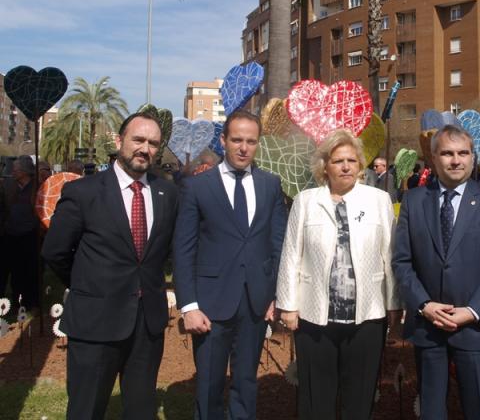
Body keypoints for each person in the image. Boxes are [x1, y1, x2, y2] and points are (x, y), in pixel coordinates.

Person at [41, 112, 179, 420]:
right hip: (95, 323)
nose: (145, 148)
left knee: (141, 410)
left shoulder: (167, 193)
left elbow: (166, 252)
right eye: (138, 140)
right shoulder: (83, 192)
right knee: (86, 410)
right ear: (119, 141)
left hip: (147, 326)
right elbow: (55, 251)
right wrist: (90, 285)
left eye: (154, 143)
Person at [392, 124, 480, 420]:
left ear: (473, 158)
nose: (456, 160)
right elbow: (402, 262)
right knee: (431, 411)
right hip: (429, 326)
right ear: (434, 158)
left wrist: (472, 310)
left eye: (463, 153)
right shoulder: (413, 201)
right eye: (447, 153)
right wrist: (424, 305)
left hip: (475, 326)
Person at [276, 129, 400, 420]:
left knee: (360, 395)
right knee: (316, 396)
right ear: (324, 166)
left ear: (360, 165)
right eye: (337, 160)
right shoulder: (306, 201)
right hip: (315, 314)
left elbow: (390, 255)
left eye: (352, 160)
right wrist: (288, 305)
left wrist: (394, 304)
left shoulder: (378, 200)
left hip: (368, 314)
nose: (345, 166)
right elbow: (291, 253)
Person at [173, 110, 288, 420]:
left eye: (251, 141)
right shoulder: (197, 187)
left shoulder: (270, 185)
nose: (243, 147)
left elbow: (278, 244)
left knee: (246, 383)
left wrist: (276, 295)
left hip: (255, 303)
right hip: (210, 303)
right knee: (209, 385)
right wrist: (189, 305)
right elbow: (183, 249)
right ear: (223, 140)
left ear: (258, 144)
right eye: (237, 139)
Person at [0, 156, 40, 311]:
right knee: (15, 271)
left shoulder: (36, 188)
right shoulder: (10, 187)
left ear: (24, 172)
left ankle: (32, 301)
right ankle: (17, 301)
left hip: (30, 235)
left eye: (16, 169)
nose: (13, 172)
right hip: (11, 234)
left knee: (30, 270)